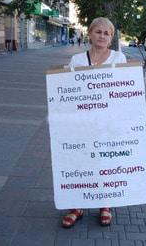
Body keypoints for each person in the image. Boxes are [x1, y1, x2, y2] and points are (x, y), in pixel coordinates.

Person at [63, 17, 127, 228]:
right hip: (82, 123)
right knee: (81, 164)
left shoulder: (119, 58)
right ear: (89, 34)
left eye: (106, 33)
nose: (101, 36)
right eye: (97, 32)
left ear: (111, 37)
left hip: (108, 125)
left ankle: (105, 204)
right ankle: (78, 206)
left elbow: (125, 92)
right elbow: (68, 91)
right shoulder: (77, 60)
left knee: (105, 164)